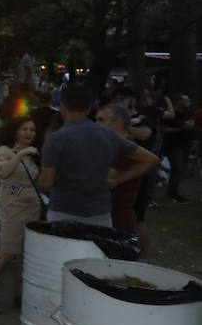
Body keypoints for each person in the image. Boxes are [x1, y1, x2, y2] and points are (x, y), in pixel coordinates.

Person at [39, 83, 158, 226]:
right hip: (100, 214)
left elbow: (46, 183)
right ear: (90, 108)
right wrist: (118, 180)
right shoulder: (108, 135)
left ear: (63, 106)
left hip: (63, 211)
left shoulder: (55, 139)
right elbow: (151, 160)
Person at [0, 117, 40, 314]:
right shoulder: (5, 151)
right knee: (7, 252)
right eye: (24, 129)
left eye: (32, 129)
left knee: (24, 255)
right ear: (15, 131)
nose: (29, 133)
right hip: (12, 208)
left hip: (32, 208)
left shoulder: (33, 155)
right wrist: (21, 153)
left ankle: (20, 295)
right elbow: (3, 172)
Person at [94, 105, 141, 234]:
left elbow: (107, 177)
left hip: (118, 217)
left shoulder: (125, 148)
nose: (96, 124)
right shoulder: (113, 145)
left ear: (118, 122)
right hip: (109, 213)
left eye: (101, 120)